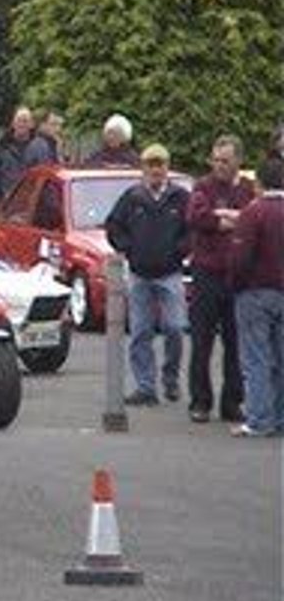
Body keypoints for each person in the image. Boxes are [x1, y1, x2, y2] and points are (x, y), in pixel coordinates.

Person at [105, 143, 190, 406]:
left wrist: (180, 252)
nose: (156, 170)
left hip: (170, 273)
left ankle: (170, 377)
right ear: (143, 168)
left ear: (167, 167)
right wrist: (128, 249)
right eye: (151, 165)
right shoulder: (132, 197)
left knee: (175, 328)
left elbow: (192, 230)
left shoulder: (181, 198)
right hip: (140, 274)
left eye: (160, 164)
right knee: (141, 332)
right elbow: (113, 226)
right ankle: (146, 387)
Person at [186, 134, 257, 423]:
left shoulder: (249, 189)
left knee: (235, 343)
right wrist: (222, 220)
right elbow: (196, 216)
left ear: (238, 161)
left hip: (238, 276)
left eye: (225, 161)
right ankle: (200, 401)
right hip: (206, 273)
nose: (219, 166)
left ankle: (232, 403)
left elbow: (254, 219)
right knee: (201, 341)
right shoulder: (202, 186)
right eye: (215, 160)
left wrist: (230, 217)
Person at [226, 158, 284, 437]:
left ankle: (260, 418)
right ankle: (281, 416)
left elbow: (241, 257)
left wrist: (235, 285)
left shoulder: (254, 213)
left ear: (260, 183)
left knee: (257, 358)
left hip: (256, 291)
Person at [0, 105, 36, 207]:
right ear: (13, 123)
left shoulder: (39, 147)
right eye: (19, 120)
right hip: (7, 207)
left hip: (33, 209)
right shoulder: (0, 147)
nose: (22, 124)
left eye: (25, 121)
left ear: (32, 124)